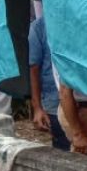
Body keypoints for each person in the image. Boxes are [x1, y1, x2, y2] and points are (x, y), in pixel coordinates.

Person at [28, 15, 70, 150]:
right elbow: (33, 69)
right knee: (64, 151)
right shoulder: (39, 27)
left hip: (84, 102)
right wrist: (37, 108)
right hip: (54, 103)